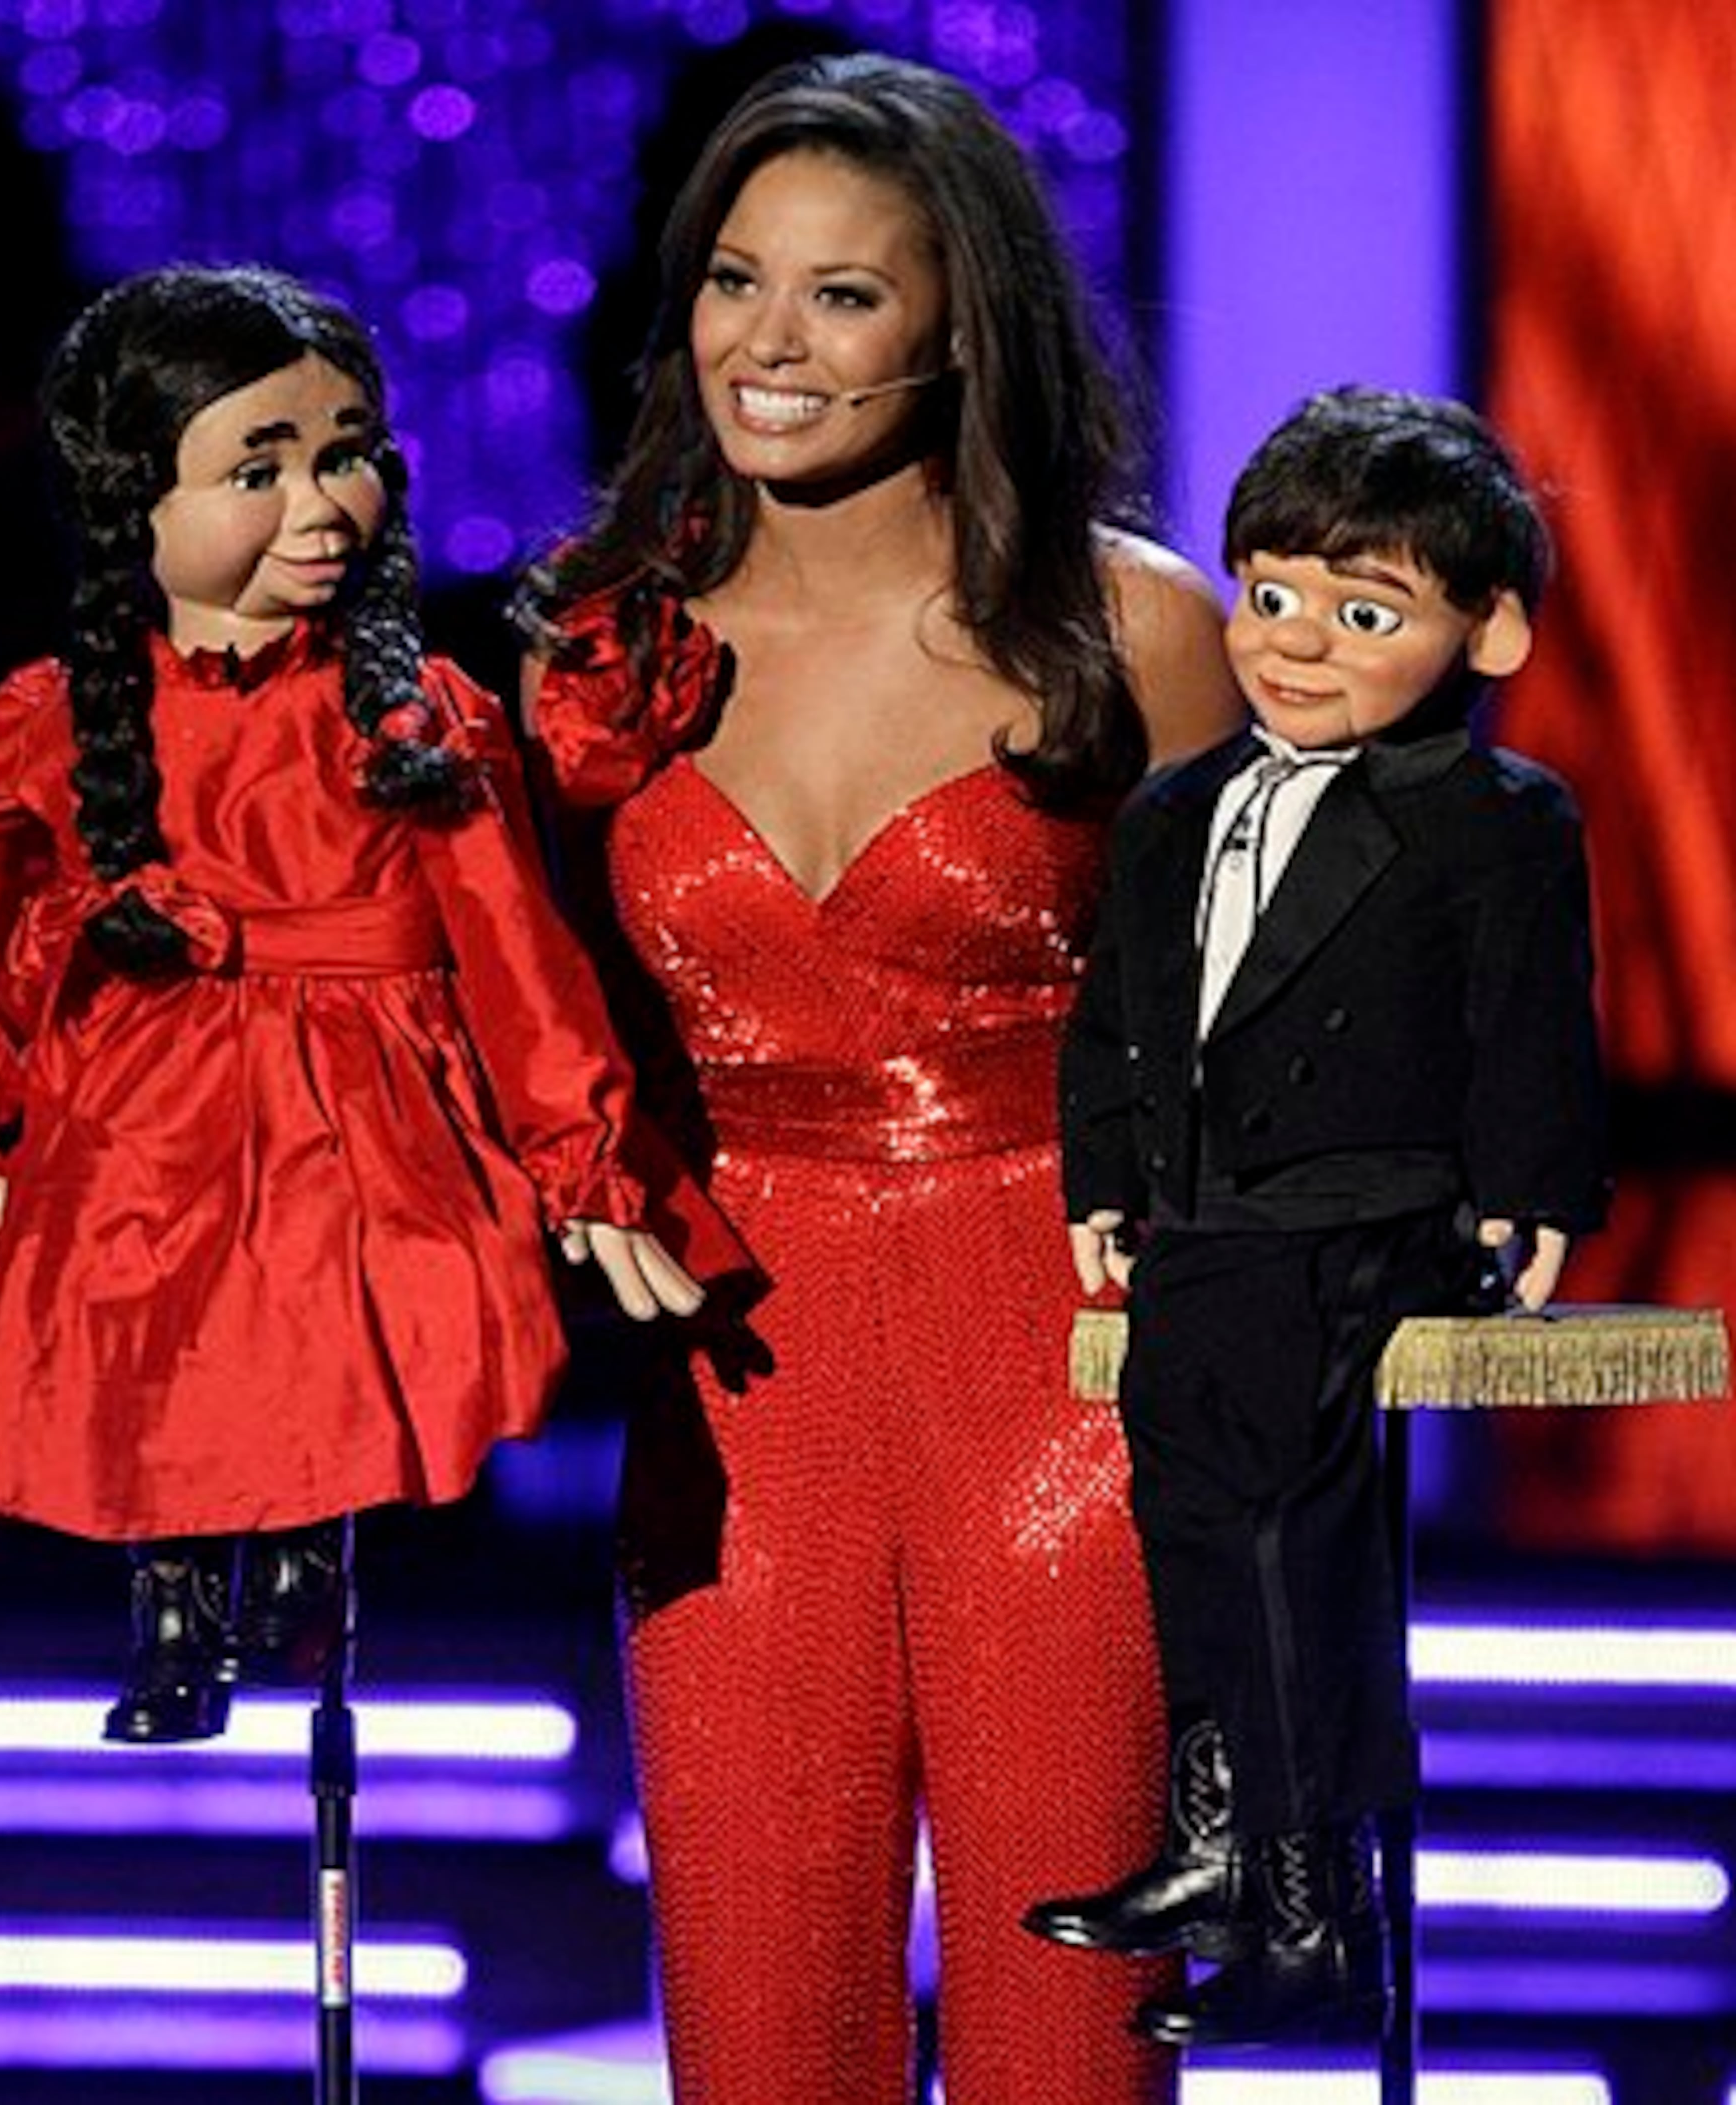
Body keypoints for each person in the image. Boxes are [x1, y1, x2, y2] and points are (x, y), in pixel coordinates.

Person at [517, 52, 1244, 2105]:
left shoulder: (1133, 630)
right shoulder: (597, 654)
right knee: (759, 2028)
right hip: (743, 1399)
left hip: (1071, 1387)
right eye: (736, 279)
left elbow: (1269, 1030)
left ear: (961, 323)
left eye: (843, 294)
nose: (771, 341)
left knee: (1070, 2026)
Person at [0, 263, 704, 1748]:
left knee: (333, 1314)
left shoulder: (416, 715)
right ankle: (172, 1614)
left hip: (359, 1098)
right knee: (147, 1328)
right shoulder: (55, 715)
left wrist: (584, 1158)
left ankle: (312, 1560)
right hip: (148, 1100)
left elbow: (517, 954)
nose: (323, 507)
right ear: (137, 500)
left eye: (346, 456)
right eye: (260, 471)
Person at [1027, 385, 1610, 2046]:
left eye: (1363, 615)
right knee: (1186, 1517)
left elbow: (1530, 1019)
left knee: (1289, 1527)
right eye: (1272, 595)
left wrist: (1534, 1190)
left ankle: (1310, 1897)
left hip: (1372, 1209)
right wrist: (1106, 1175)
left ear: (1490, 635)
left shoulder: (1491, 820)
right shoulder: (1179, 810)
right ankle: (1220, 1843)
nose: (1296, 643)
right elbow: (1121, 1018)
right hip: (1206, 1219)